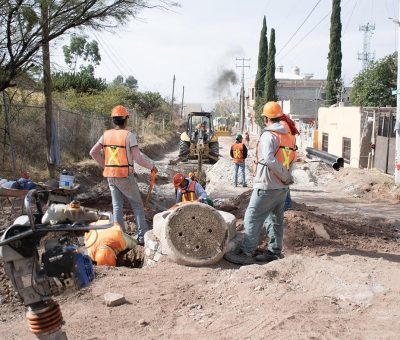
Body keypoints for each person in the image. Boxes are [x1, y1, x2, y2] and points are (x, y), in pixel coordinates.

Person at [224, 101, 296, 265]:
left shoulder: (268, 135)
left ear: (266, 118)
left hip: (267, 185)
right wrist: (286, 176)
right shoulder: (288, 136)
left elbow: (269, 159)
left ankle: (246, 253)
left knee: (252, 216)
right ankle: (274, 252)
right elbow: (292, 159)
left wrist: (282, 175)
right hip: (282, 187)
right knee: (275, 219)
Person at [89, 105, 158, 245]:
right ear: (126, 119)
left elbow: (93, 153)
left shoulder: (106, 135)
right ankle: (142, 236)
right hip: (124, 175)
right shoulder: (129, 136)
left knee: (117, 206)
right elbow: (138, 159)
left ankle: (119, 235)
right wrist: (152, 167)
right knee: (137, 205)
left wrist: (106, 166)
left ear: (114, 120)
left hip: (111, 175)